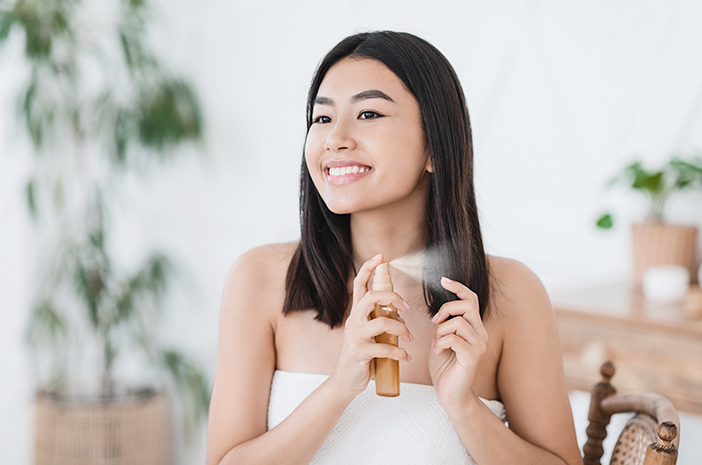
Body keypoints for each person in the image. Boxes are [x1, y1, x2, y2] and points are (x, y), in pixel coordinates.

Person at [206, 31, 582, 465]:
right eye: (322, 118)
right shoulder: (260, 279)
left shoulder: (511, 293)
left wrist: (463, 406)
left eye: (368, 113)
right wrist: (339, 387)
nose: (335, 139)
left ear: (435, 148)